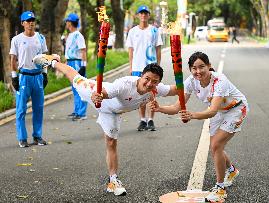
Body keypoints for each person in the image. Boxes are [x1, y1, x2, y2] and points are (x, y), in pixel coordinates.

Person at [32, 54, 177, 196]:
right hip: (100, 95)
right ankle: (52, 61)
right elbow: (105, 93)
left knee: (111, 142)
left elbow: (176, 89)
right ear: (141, 76)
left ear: (158, 83)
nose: (150, 84)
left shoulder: (156, 89)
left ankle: (113, 181)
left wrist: (195, 81)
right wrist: (98, 95)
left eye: (154, 81)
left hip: (112, 113)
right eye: (147, 79)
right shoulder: (125, 84)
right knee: (76, 79)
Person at [150, 52, 248, 202]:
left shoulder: (219, 81)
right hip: (219, 111)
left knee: (216, 145)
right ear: (190, 69)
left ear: (209, 66)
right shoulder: (191, 81)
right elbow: (177, 107)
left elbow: (212, 110)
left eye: (202, 67)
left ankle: (220, 188)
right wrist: (159, 108)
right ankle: (232, 170)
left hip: (236, 109)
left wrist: (192, 115)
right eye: (194, 68)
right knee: (215, 147)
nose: (198, 71)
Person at [9, 11, 48, 148]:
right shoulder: (17, 39)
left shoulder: (41, 38)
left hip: (37, 76)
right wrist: (14, 77)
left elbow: (44, 57)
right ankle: (22, 138)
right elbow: (13, 60)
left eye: (33, 20)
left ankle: (37, 136)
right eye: (28, 20)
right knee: (21, 109)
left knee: (39, 108)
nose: (31, 22)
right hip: (23, 77)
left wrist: (45, 74)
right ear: (22, 23)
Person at [126, 5, 163, 131]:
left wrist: (158, 65)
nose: (143, 15)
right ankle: (142, 120)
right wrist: (131, 67)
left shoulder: (154, 31)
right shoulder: (132, 31)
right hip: (137, 67)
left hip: (151, 68)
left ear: (148, 15)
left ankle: (151, 119)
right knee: (140, 95)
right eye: (141, 13)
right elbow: (130, 50)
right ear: (138, 15)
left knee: (152, 94)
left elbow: (158, 49)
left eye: (145, 13)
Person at [64, 13, 88, 121]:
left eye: (67, 21)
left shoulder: (78, 35)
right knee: (74, 88)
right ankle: (77, 110)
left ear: (70, 23)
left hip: (77, 63)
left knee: (80, 88)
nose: (66, 23)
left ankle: (82, 113)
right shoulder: (70, 35)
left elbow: (83, 51)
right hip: (70, 62)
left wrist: (83, 66)